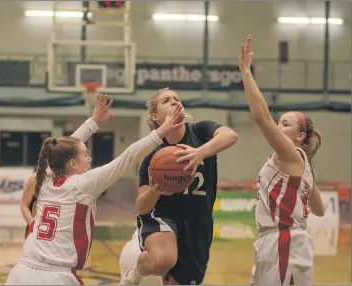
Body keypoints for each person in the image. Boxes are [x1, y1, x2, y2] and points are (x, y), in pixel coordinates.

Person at [5, 94, 184, 285]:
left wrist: (94, 121)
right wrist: (161, 131)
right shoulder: (83, 185)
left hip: (21, 272)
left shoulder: (46, 176)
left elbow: (62, 148)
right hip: (56, 276)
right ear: (73, 163)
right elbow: (128, 156)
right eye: (85, 154)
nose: (89, 159)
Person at [120, 88, 239, 285]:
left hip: (197, 221)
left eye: (177, 99)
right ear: (155, 116)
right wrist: (154, 191)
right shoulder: (151, 159)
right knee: (162, 261)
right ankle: (135, 272)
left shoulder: (200, 132)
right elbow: (142, 207)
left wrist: (199, 153)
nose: (175, 102)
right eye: (167, 100)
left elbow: (230, 136)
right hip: (162, 217)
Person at [238, 35, 325, 285]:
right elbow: (320, 210)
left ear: (299, 136)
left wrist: (245, 71)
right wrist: (307, 187)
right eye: (279, 122)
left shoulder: (292, 155)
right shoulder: (301, 165)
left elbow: (261, 116)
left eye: (285, 124)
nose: (278, 126)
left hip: (284, 241)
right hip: (277, 242)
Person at [19, 95, 113, 238]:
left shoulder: (71, 179)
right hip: (38, 232)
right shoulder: (37, 178)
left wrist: (94, 121)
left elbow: (73, 144)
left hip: (60, 233)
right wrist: (33, 224)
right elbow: (24, 205)